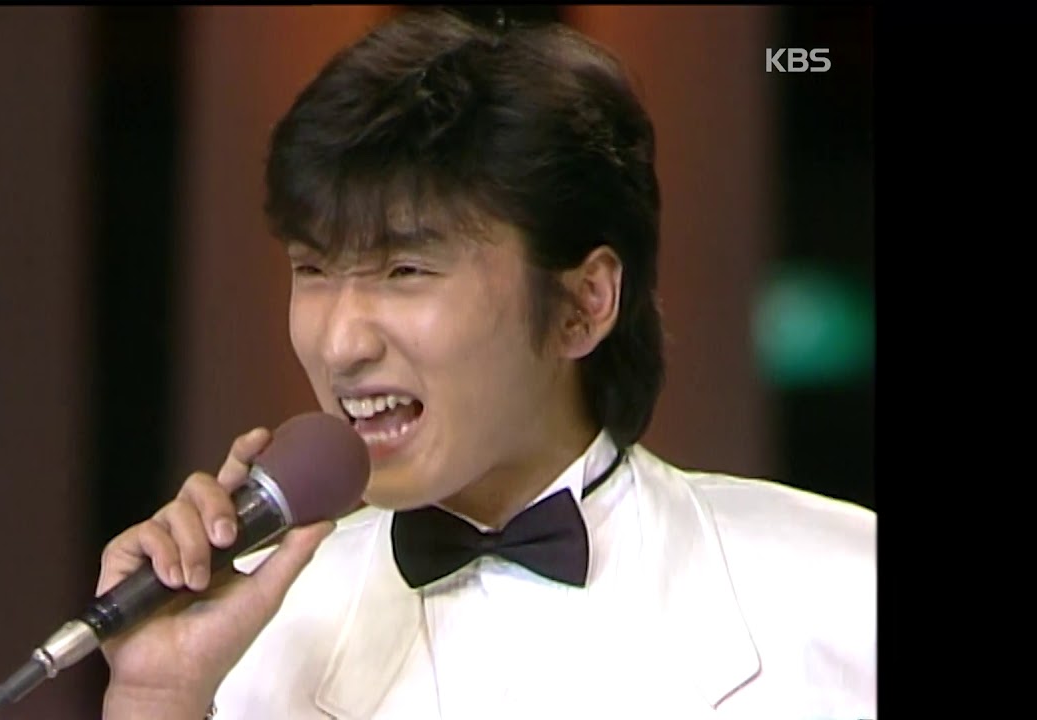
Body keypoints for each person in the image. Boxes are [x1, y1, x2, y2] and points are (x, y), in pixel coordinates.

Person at [96, 8, 876, 719]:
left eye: (406, 270)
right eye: (314, 270)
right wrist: (155, 697)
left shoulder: (842, 593)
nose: (341, 345)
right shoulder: (248, 642)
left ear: (583, 303)